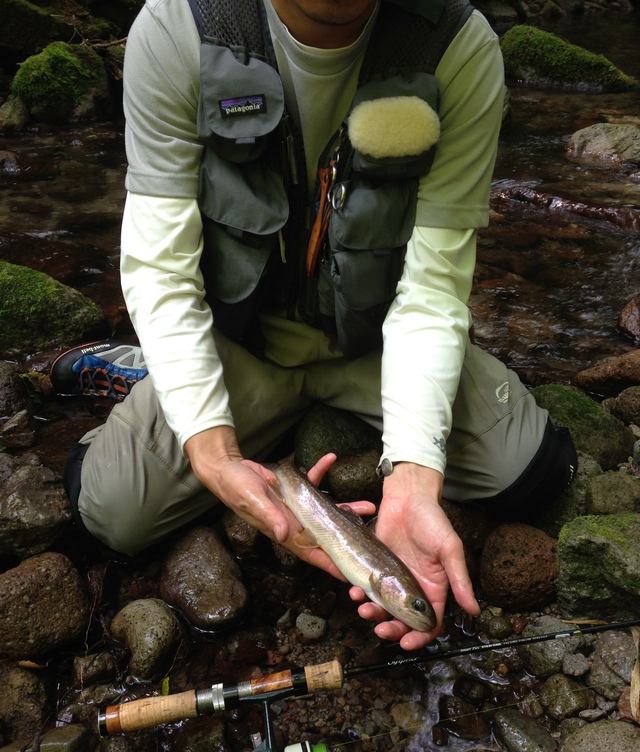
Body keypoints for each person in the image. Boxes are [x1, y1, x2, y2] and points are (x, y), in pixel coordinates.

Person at [52, 0, 577, 651]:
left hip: (380, 343)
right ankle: (137, 369)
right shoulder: (180, 27)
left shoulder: (454, 46)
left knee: (536, 469)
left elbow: (433, 289)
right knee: (110, 511)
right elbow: (161, 271)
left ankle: (336, 427)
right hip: (242, 348)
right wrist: (213, 452)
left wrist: (416, 474)